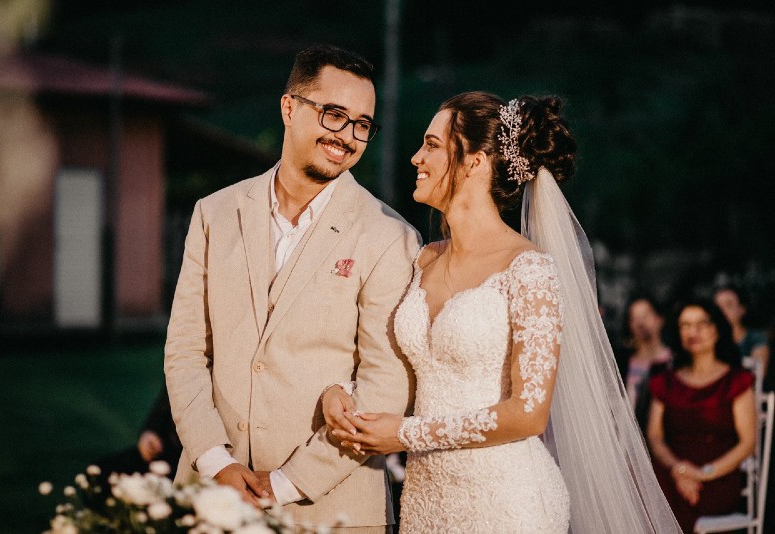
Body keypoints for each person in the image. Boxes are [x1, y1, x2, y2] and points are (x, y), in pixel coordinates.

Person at [323, 91, 682, 532]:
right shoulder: (422, 260)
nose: (416, 157)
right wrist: (341, 391)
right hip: (426, 500)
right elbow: (396, 367)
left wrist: (404, 434)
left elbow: (528, 413)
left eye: (432, 145)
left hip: (508, 501)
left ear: (475, 162)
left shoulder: (528, 270)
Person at [164, 44, 420, 532]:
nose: (346, 136)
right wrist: (216, 462)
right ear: (289, 107)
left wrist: (281, 485)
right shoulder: (214, 213)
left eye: (361, 124)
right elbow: (185, 351)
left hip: (331, 509)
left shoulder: (390, 236)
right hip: (209, 500)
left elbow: (385, 386)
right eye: (333, 114)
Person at [647, 298, 756, 533]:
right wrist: (680, 469)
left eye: (701, 324)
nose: (692, 332)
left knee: (666, 500)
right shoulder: (665, 382)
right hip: (672, 472)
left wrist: (703, 473)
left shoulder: (736, 380)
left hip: (718, 477)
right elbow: (655, 436)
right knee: (647, 486)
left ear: (717, 328)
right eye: (685, 325)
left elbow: (748, 442)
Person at [94, 385, 182, 488]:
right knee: (99, 473)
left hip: (185, 460)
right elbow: (162, 407)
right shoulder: (182, 372)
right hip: (162, 450)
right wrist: (150, 432)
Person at [621, 295, 673, 430]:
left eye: (645, 316)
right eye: (633, 319)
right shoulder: (623, 364)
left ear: (660, 319)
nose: (640, 323)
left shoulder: (673, 361)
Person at [714, 284, 770, 383]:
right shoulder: (709, 339)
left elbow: (758, 374)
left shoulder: (756, 338)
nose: (722, 311)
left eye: (728, 305)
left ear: (742, 309)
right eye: (718, 307)